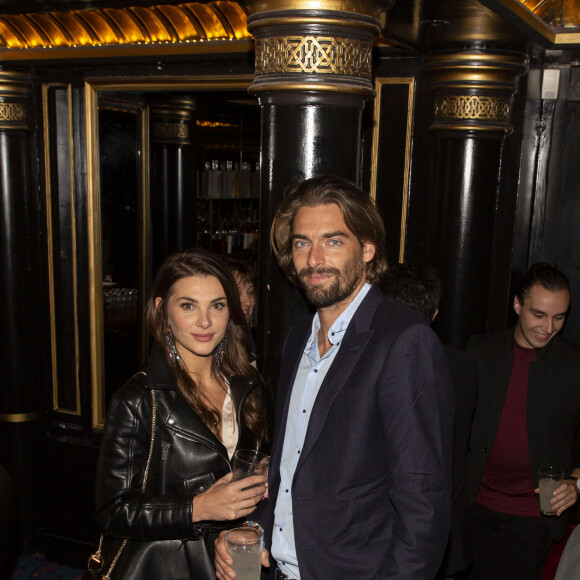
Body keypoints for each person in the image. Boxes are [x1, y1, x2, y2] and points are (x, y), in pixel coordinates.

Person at [215, 174, 454, 579]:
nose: (313, 259)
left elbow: (423, 504)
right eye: (302, 243)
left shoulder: (404, 340)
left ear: (367, 248)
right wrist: (254, 527)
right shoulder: (296, 340)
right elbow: (291, 471)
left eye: (333, 241)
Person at [93, 249, 269, 579]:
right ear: (163, 311)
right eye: (188, 306)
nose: (205, 321)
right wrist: (198, 507)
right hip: (168, 566)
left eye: (217, 306)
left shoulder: (249, 386)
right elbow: (112, 511)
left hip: (234, 560)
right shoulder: (139, 399)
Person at [467, 261, 580, 579]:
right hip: (474, 509)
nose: (548, 327)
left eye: (559, 317)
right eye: (539, 314)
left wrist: (575, 482)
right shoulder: (481, 351)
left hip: (532, 517)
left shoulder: (573, 365)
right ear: (518, 304)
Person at [382, 263, 478, 579]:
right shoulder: (463, 365)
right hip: (444, 534)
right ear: (435, 313)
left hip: (389, 541)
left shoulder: (377, 363)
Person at [226, 258, 258, 363]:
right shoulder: (208, 345)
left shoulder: (249, 340)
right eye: (237, 292)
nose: (248, 302)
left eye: (250, 292)